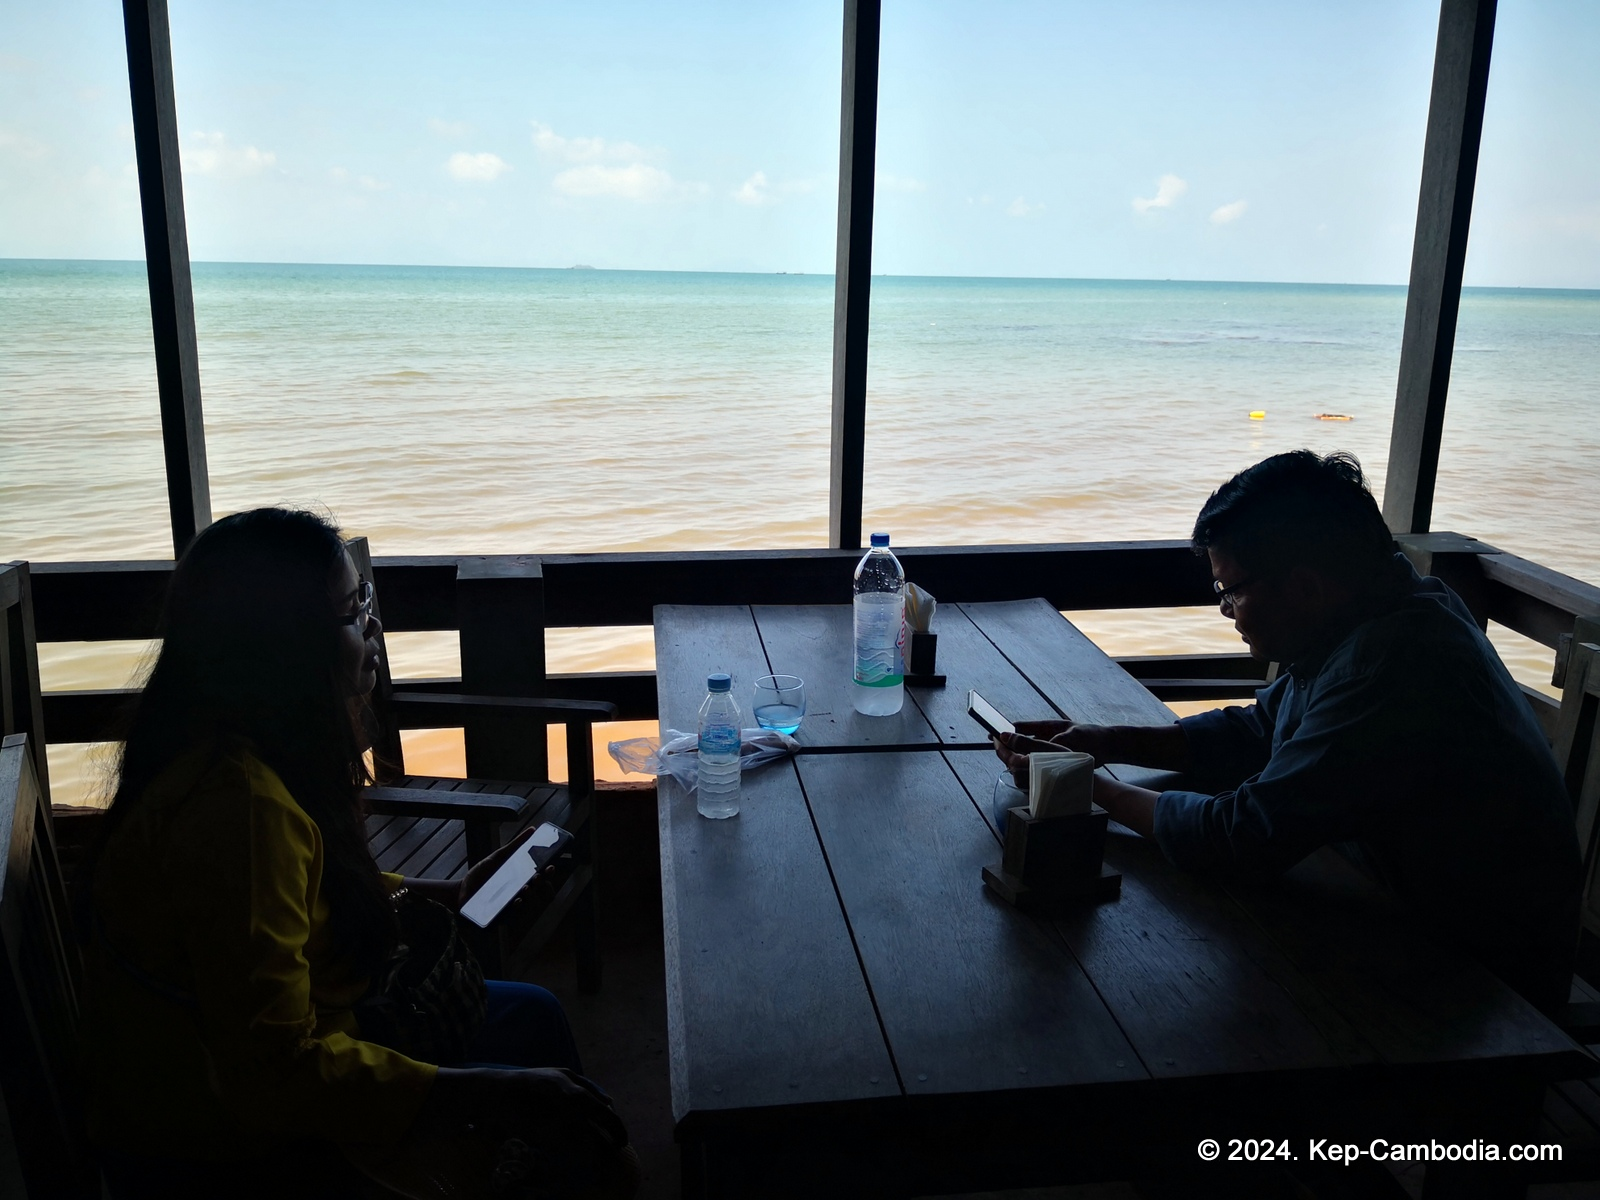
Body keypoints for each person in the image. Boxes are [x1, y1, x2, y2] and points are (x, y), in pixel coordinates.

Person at [82, 507, 630, 1198]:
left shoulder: (241, 754)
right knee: (564, 1116)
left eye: (366, 601)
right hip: (223, 1143)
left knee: (535, 1018)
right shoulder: (239, 810)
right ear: (283, 646)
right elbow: (273, 1073)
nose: (373, 629)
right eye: (352, 611)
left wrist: (448, 895)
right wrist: (485, 1090)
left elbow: (301, 900)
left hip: (286, 1052)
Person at [996, 450, 1582, 1015]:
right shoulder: (1380, 612)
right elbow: (1258, 729)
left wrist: (1087, 786)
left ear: (1305, 587)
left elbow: (1242, 836)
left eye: (1231, 591)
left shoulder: (1391, 665)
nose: (1225, 611)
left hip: (1483, 987)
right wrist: (1106, 741)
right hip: (1391, 907)